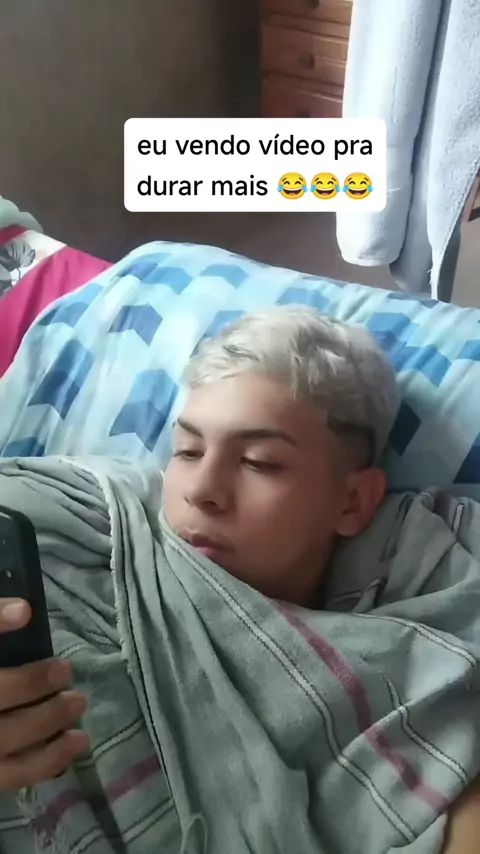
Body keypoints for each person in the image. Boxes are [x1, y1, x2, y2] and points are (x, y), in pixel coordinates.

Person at [0, 305, 477, 853]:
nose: (202, 490)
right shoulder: (93, 513)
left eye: (258, 462)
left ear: (352, 501)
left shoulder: (421, 600)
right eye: (187, 451)